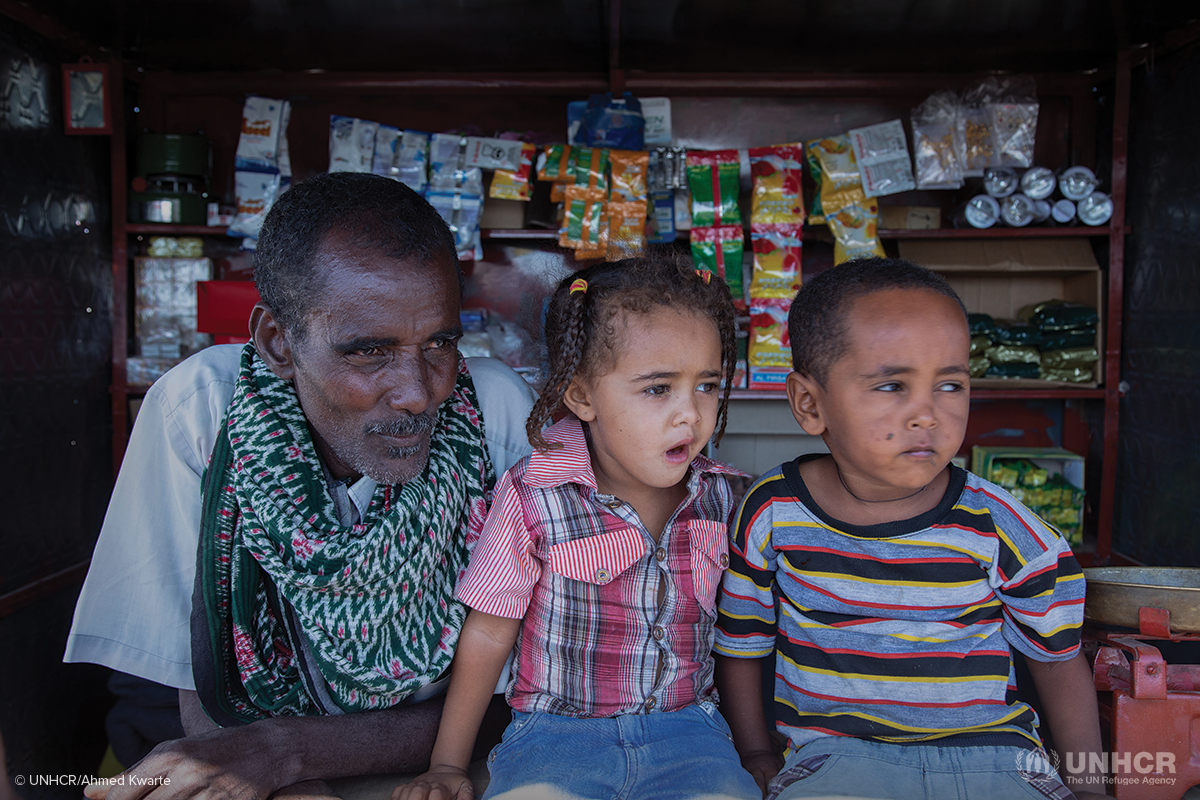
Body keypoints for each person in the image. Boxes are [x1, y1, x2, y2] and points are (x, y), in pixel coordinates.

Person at [65, 172, 536, 799]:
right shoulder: (202, 413)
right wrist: (271, 776)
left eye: (440, 343)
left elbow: (533, 691)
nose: (420, 393)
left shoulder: (495, 417)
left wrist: (284, 752)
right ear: (276, 343)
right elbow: (172, 676)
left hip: (435, 771)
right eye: (369, 352)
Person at [714, 257, 1108, 800]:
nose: (927, 414)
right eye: (892, 386)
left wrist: (1088, 787)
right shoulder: (772, 513)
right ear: (809, 404)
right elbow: (741, 643)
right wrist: (755, 752)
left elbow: (1058, 659)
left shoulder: (1003, 525)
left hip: (992, 757)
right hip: (830, 761)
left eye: (950, 386)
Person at [395, 258, 763, 800]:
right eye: (658, 389)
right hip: (552, 736)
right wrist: (447, 764)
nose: (691, 414)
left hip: (689, 733)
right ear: (582, 395)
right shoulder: (534, 494)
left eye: (707, 385)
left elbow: (743, 638)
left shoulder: (726, 499)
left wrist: (754, 749)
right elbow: (489, 631)